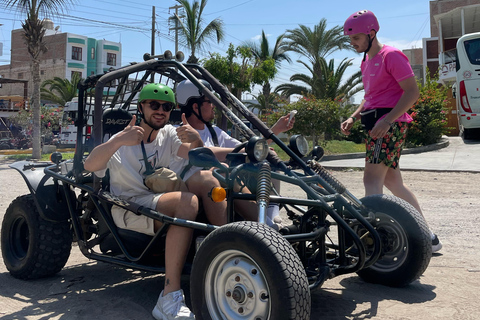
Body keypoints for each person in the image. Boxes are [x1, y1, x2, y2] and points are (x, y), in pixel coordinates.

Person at [84, 83, 226, 320]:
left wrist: (196, 141)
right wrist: (118, 141)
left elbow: (195, 158)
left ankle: (230, 255)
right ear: (141, 106)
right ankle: (169, 297)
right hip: (128, 207)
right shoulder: (123, 137)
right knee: (187, 202)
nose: (160, 110)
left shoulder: (168, 134)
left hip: (157, 199)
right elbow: (90, 165)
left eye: (166, 106)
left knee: (211, 179)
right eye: (154, 105)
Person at [341, 10, 442, 252]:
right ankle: (427, 237)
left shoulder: (391, 56)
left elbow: (412, 93)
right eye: (350, 39)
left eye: (356, 38)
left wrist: (387, 121)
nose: (352, 43)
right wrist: (353, 117)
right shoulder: (366, 61)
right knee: (393, 182)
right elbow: (370, 97)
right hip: (376, 123)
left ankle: (374, 241)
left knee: (371, 179)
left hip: (388, 125)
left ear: (372, 33)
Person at [171, 79, 295, 227]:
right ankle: (263, 228)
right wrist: (249, 151)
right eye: (209, 101)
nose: (213, 106)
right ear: (195, 106)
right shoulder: (177, 132)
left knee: (265, 162)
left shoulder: (214, 131)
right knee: (223, 171)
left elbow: (247, 148)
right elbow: (209, 153)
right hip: (190, 184)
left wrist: (276, 130)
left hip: (218, 183)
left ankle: (271, 216)